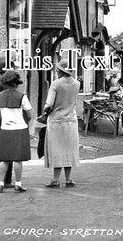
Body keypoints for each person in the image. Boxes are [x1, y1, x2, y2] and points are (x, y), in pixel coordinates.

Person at [43, 59, 81, 189]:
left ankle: (55, 180)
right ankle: (69, 179)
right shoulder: (77, 84)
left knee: (57, 150)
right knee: (69, 149)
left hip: (56, 121)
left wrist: (44, 114)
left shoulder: (56, 84)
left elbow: (49, 104)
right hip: (71, 120)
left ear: (60, 70)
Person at [0, 71, 32, 193]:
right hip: (19, 129)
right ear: (16, 83)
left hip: (5, 129)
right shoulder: (22, 96)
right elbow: (30, 114)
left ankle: (0, 184)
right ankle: (18, 184)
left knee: (4, 159)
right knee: (17, 159)